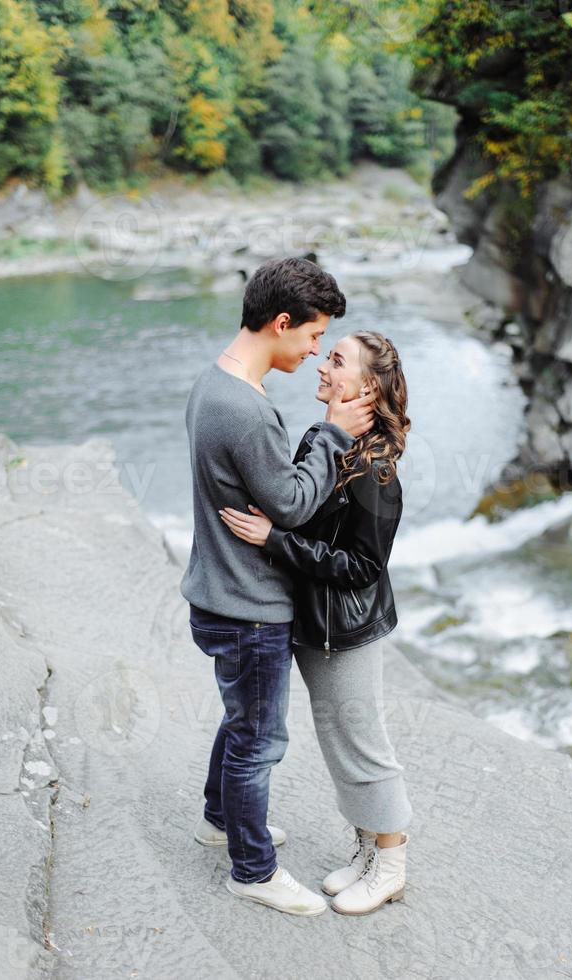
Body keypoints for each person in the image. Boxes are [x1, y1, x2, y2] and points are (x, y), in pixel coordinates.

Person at [180, 257, 375, 917]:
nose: (317, 351)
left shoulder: (212, 384)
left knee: (242, 724)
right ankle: (253, 870)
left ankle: (220, 817)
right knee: (259, 741)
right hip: (247, 608)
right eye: (314, 336)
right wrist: (332, 434)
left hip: (213, 594)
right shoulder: (248, 410)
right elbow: (292, 505)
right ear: (282, 322)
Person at [219, 329, 412, 916]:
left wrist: (276, 542)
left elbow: (362, 567)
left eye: (335, 361)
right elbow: (301, 507)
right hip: (314, 624)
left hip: (345, 631)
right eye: (324, 355)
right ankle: (365, 851)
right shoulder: (325, 438)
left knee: (363, 745)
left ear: (367, 386)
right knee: (338, 742)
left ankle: (392, 865)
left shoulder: (376, 468)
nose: (320, 367)